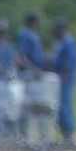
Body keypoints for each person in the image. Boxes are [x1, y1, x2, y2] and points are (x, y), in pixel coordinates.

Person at [16, 11, 47, 141]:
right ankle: (23, 136)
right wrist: (32, 69)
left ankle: (37, 136)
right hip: (29, 74)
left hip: (36, 73)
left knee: (38, 104)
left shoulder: (34, 34)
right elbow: (21, 55)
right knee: (27, 105)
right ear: (31, 22)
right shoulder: (25, 34)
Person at [50, 18, 76, 145]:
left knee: (64, 104)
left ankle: (68, 134)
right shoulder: (61, 42)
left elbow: (71, 62)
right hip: (60, 76)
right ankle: (64, 133)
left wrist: (65, 73)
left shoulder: (68, 42)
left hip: (66, 77)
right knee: (60, 104)